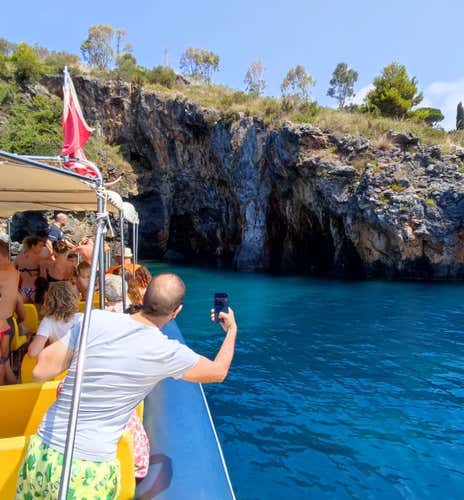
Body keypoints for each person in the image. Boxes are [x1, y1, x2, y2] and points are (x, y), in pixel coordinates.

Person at [17, 273, 237, 498]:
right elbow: (218, 372)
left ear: (144, 296)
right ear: (176, 311)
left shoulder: (93, 319)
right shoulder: (166, 352)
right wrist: (231, 330)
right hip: (87, 469)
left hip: (41, 453)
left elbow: (39, 371)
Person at [28, 281, 81, 358]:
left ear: (49, 300)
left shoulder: (48, 321)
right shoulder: (82, 318)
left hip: (60, 361)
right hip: (81, 362)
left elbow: (33, 352)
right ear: (73, 297)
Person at [0, 240, 20, 385]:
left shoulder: (4, 272)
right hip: (8, 322)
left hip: (3, 323)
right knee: (4, 364)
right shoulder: (15, 271)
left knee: (3, 366)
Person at [14, 236, 45, 303]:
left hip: (23, 289)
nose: (42, 249)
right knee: (38, 309)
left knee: (25, 308)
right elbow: (43, 277)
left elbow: (12, 273)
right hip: (36, 289)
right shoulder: (40, 259)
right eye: (40, 246)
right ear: (33, 246)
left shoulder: (18, 258)